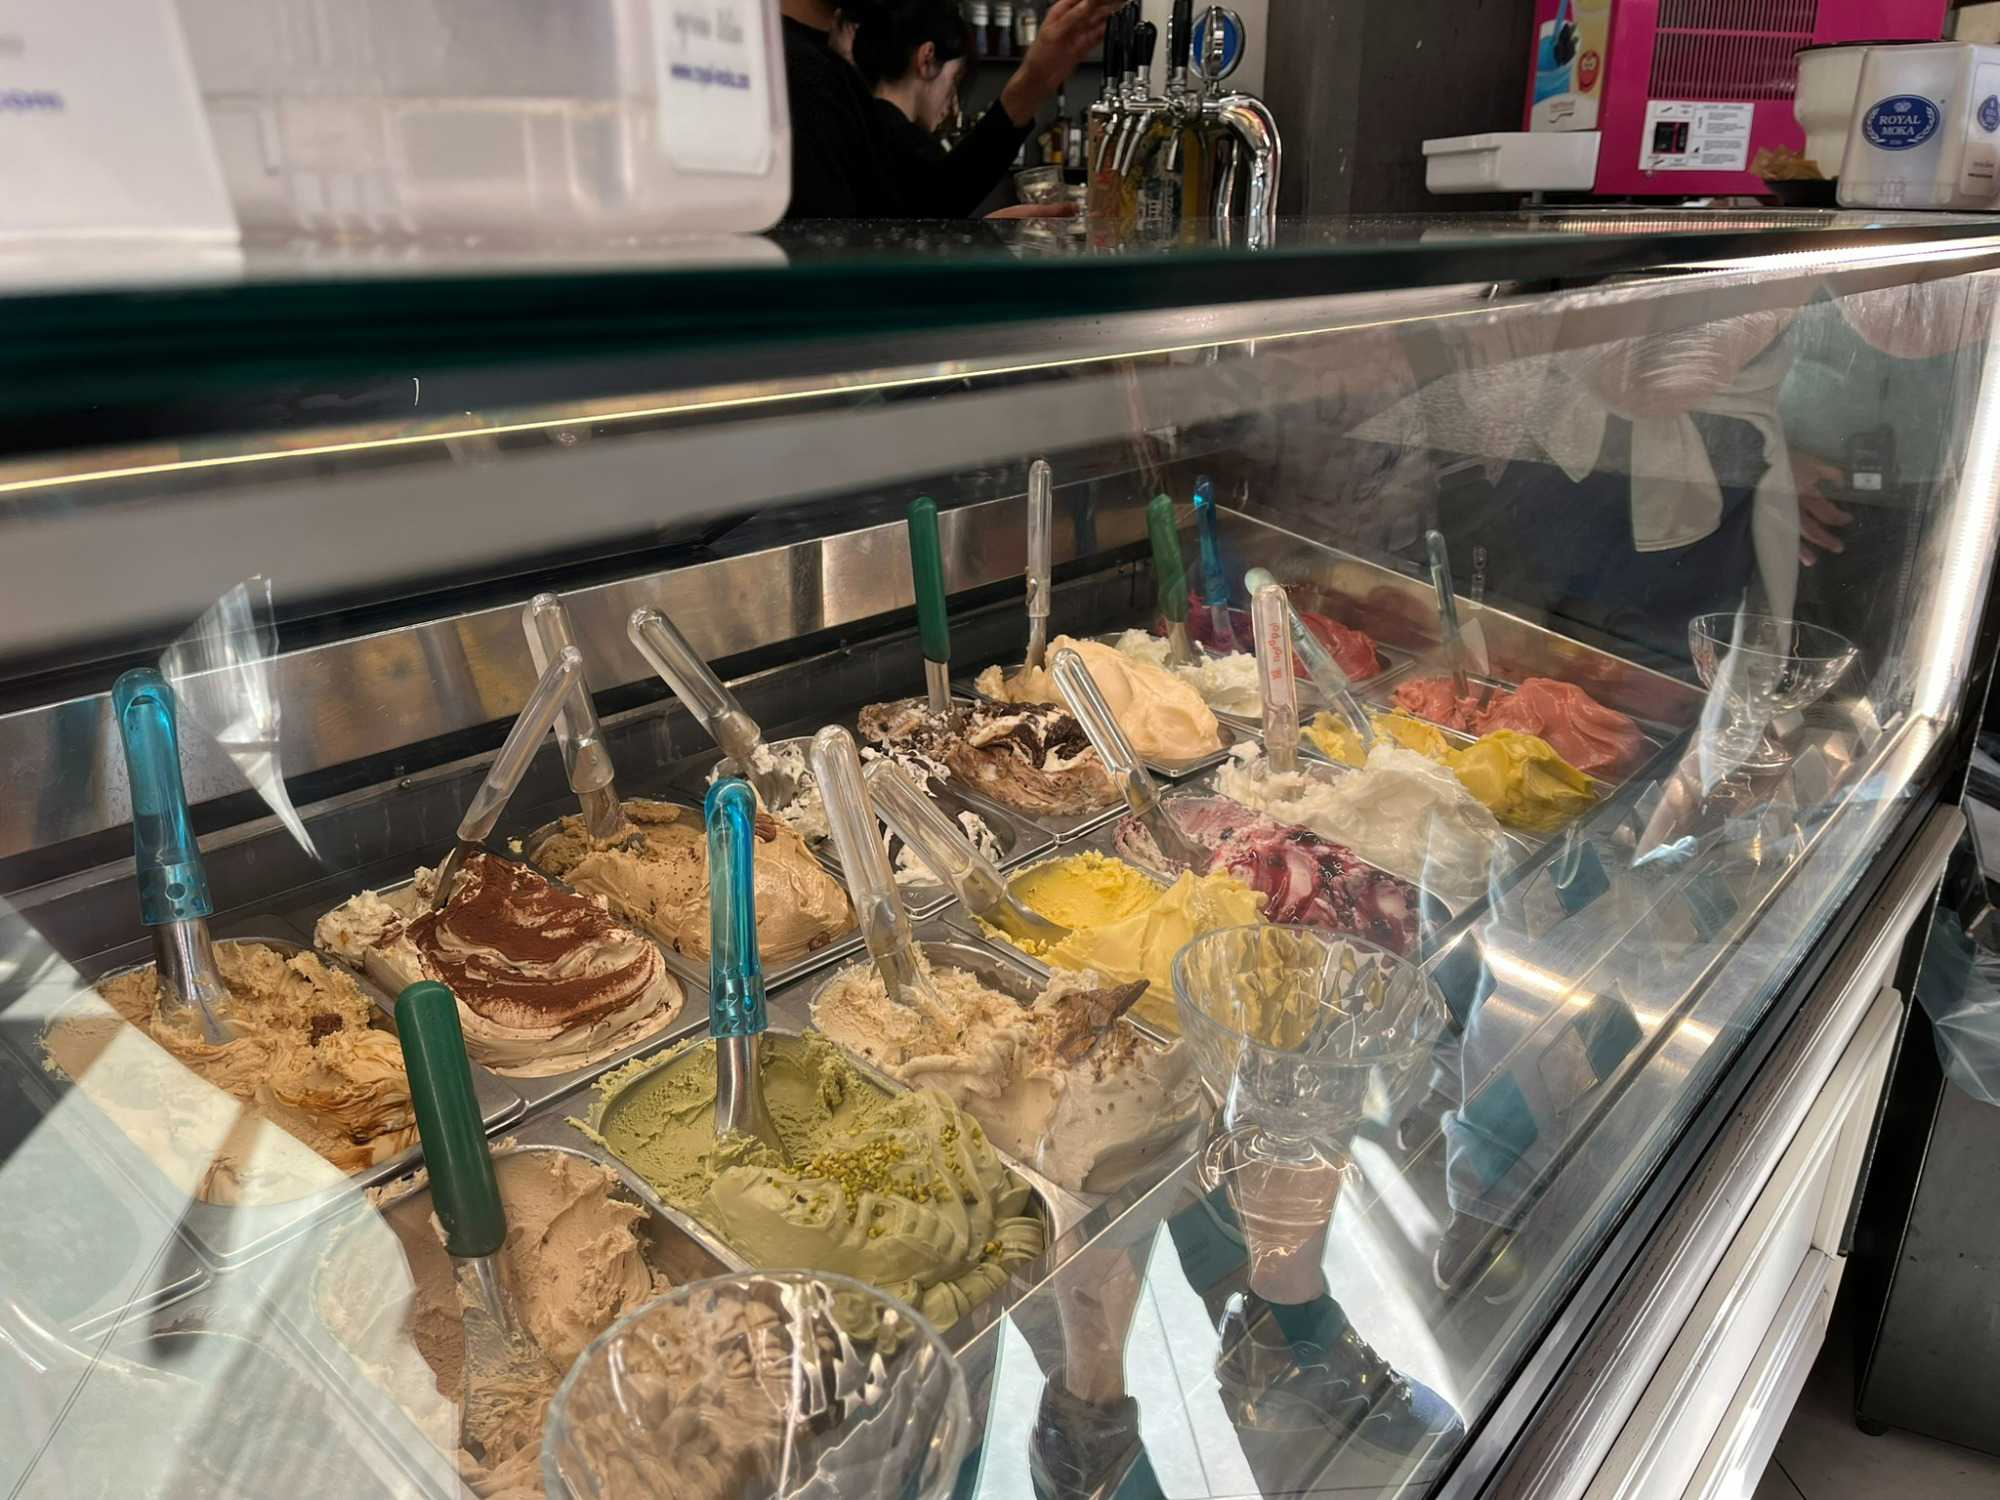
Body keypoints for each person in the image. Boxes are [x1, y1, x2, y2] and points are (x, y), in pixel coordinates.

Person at [780, 0, 1119, 219]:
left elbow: (919, 213)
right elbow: (845, 269)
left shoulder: (828, 73)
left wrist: (1036, 81)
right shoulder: (797, 71)